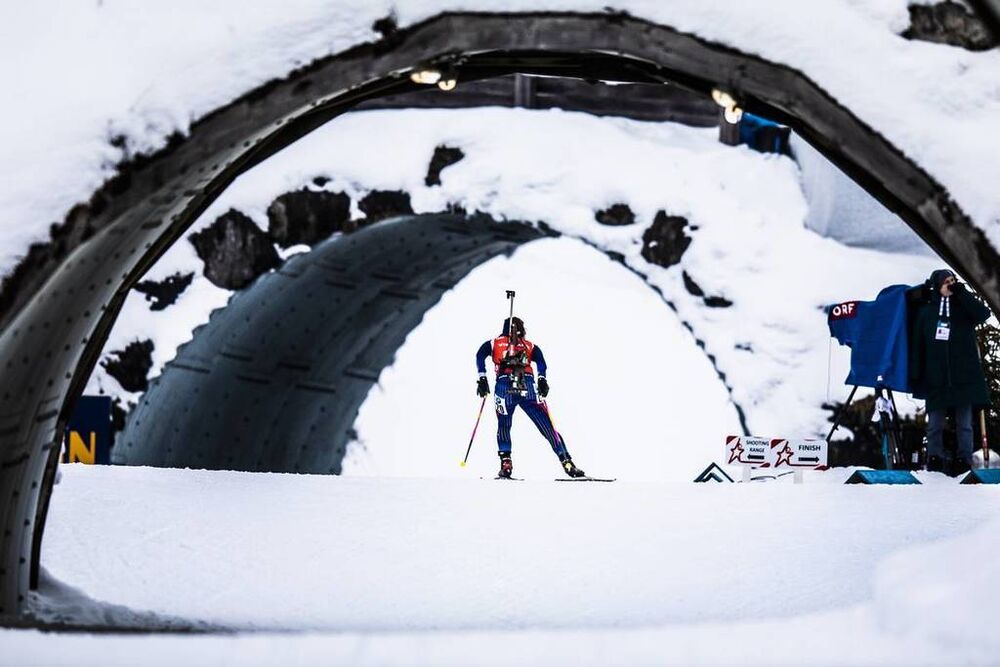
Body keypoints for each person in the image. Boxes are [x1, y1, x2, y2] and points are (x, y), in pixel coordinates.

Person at [475, 316, 585, 479]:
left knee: (504, 425)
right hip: (527, 384)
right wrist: (542, 379)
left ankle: (506, 463)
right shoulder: (529, 345)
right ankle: (566, 461)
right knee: (547, 425)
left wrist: (482, 377)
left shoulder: (494, 343)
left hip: (504, 386)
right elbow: (541, 361)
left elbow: (479, 355)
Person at [910, 269, 992, 474]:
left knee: (964, 424)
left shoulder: (963, 308)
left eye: (953, 280)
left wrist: (962, 292)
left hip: (963, 376)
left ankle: (964, 459)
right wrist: (916, 373)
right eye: (946, 282)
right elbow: (918, 344)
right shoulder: (927, 312)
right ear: (938, 285)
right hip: (936, 376)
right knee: (934, 424)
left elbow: (984, 314)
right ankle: (935, 458)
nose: (950, 284)